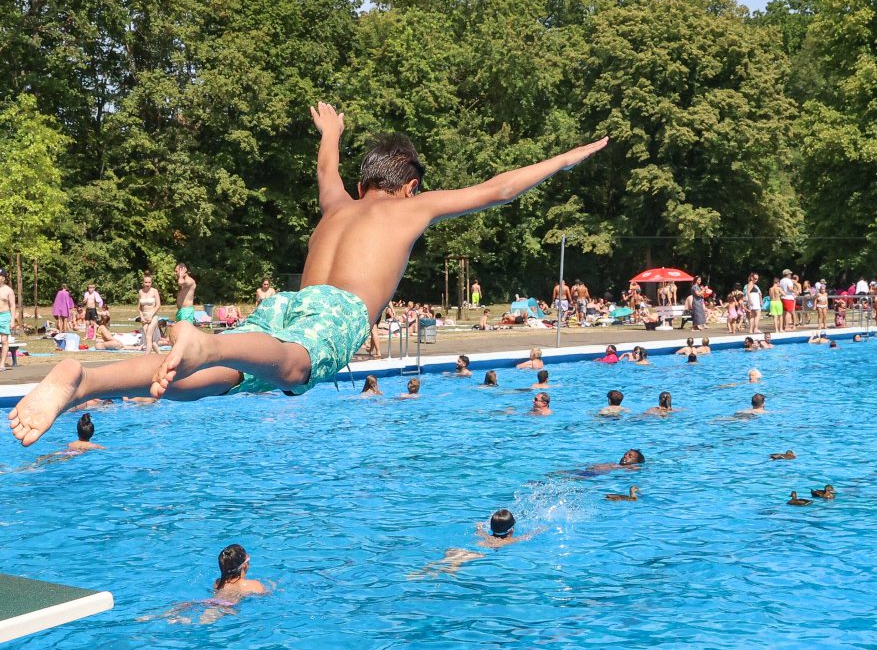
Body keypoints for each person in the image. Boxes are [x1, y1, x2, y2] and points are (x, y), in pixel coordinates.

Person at [10, 104, 608, 446]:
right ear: (409, 185)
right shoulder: (409, 206)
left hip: (290, 304)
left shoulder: (337, 205)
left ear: (365, 177)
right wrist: (567, 156)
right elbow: (497, 191)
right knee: (297, 369)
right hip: (337, 310)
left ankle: (82, 382)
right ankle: (205, 342)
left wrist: (331, 134)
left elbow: (326, 168)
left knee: (218, 380)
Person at [412, 510, 542, 578]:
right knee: (455, 563)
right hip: (478, 553)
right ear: (512, 530)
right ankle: (446, 570)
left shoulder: (487, 536)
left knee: (449, 559)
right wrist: (538, 530)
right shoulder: (509, 541)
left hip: (463, 548)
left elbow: (479, 531)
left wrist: (479, 527)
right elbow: (526, 537)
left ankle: (427, 569)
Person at [137, 273, 162, 355]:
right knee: (150, 340)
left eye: (149, 282)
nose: (147, 284)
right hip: (144, 316)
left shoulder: (154, 291)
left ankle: (146, 355)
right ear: (143, 283)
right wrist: (141, 317)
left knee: (148, 335)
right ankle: (160, 355)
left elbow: (158, 305)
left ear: (151, 283)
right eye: (146, 282)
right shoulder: (141, 292)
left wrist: (151, 316)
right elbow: (139, 307)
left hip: (153, 315)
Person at [0, 269, 14, 371]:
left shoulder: (8, 290)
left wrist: (12, 320)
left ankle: (2, 364)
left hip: (5, 316)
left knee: (4, 340)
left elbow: (12, 306)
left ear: (3, 278)